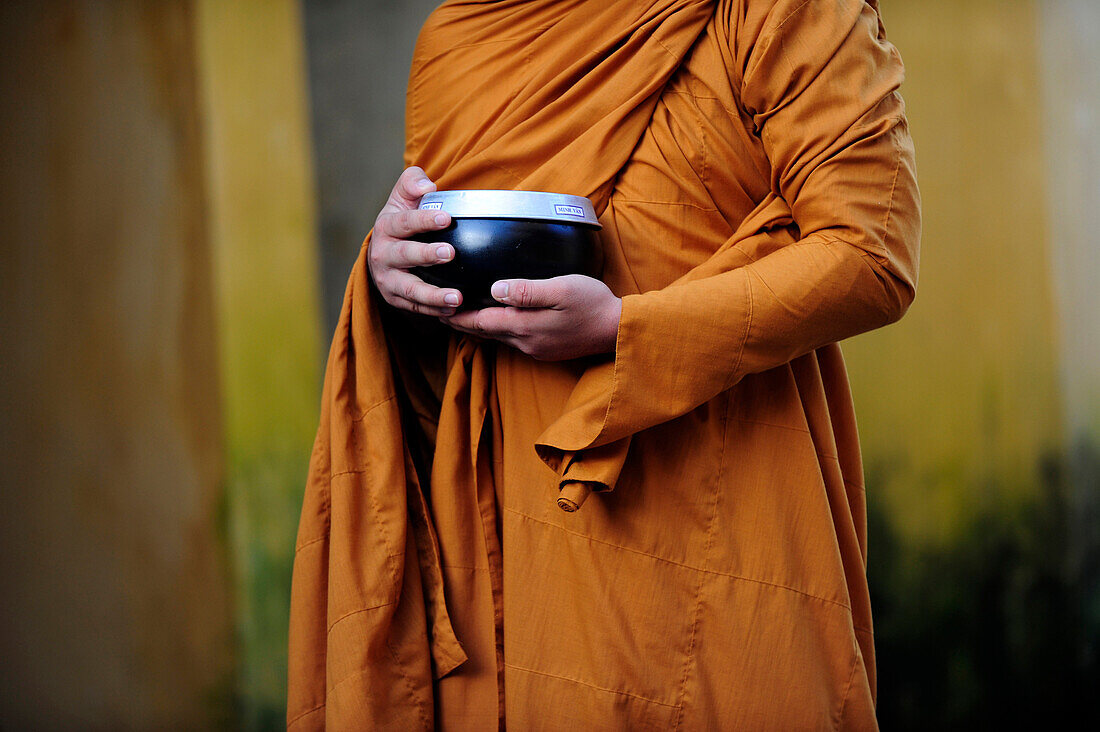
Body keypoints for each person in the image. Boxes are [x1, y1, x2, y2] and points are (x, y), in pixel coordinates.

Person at [288, 0, 920, 729]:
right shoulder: (464, 37)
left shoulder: (777, 11)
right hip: (511, 565)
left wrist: (625, 329)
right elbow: (446, 370)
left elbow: (873, 252)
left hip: (726, 524)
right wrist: (400, 278)